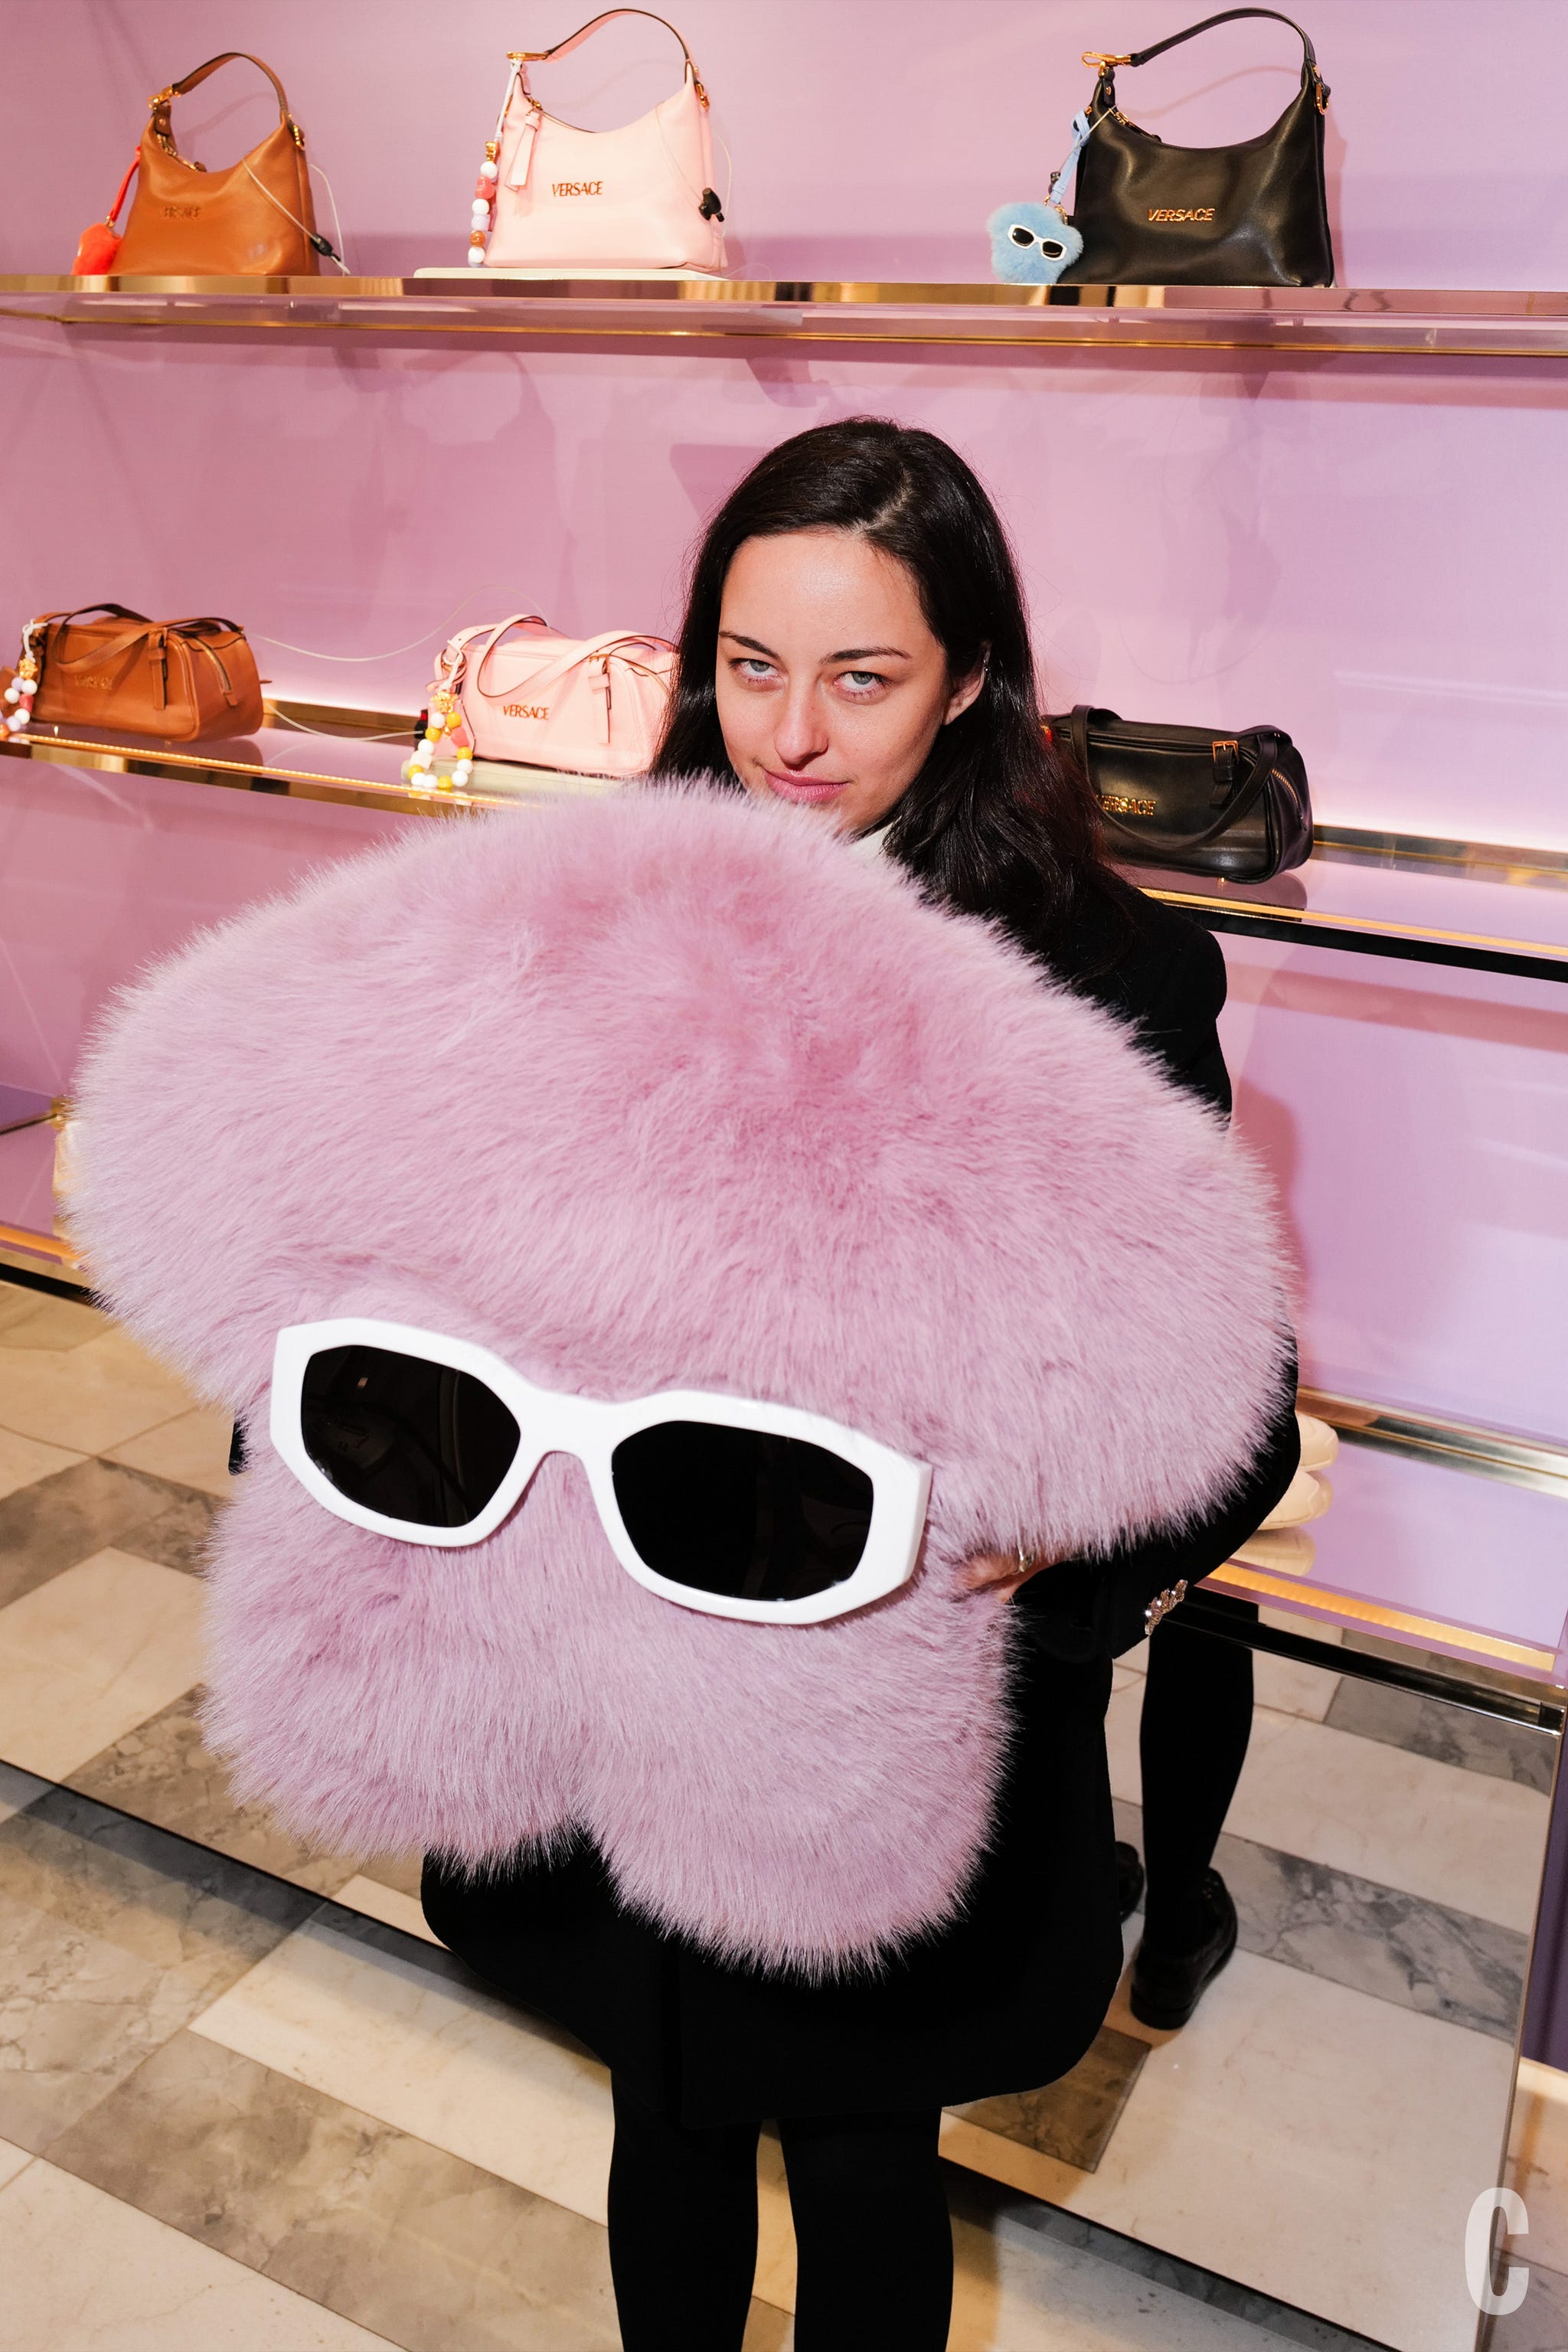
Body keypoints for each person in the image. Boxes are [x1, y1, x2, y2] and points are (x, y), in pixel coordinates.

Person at [423, 417, 1299, 2351]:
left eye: (860, 676)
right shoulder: (597, 911)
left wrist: (1067, 1534)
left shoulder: (1103, 973)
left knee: (858, 2152)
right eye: (746, 666)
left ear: (971, 674)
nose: (787, 733)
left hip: (881, 1704)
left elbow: (1231, 1402)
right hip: (632, 1661)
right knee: (664, 2114)